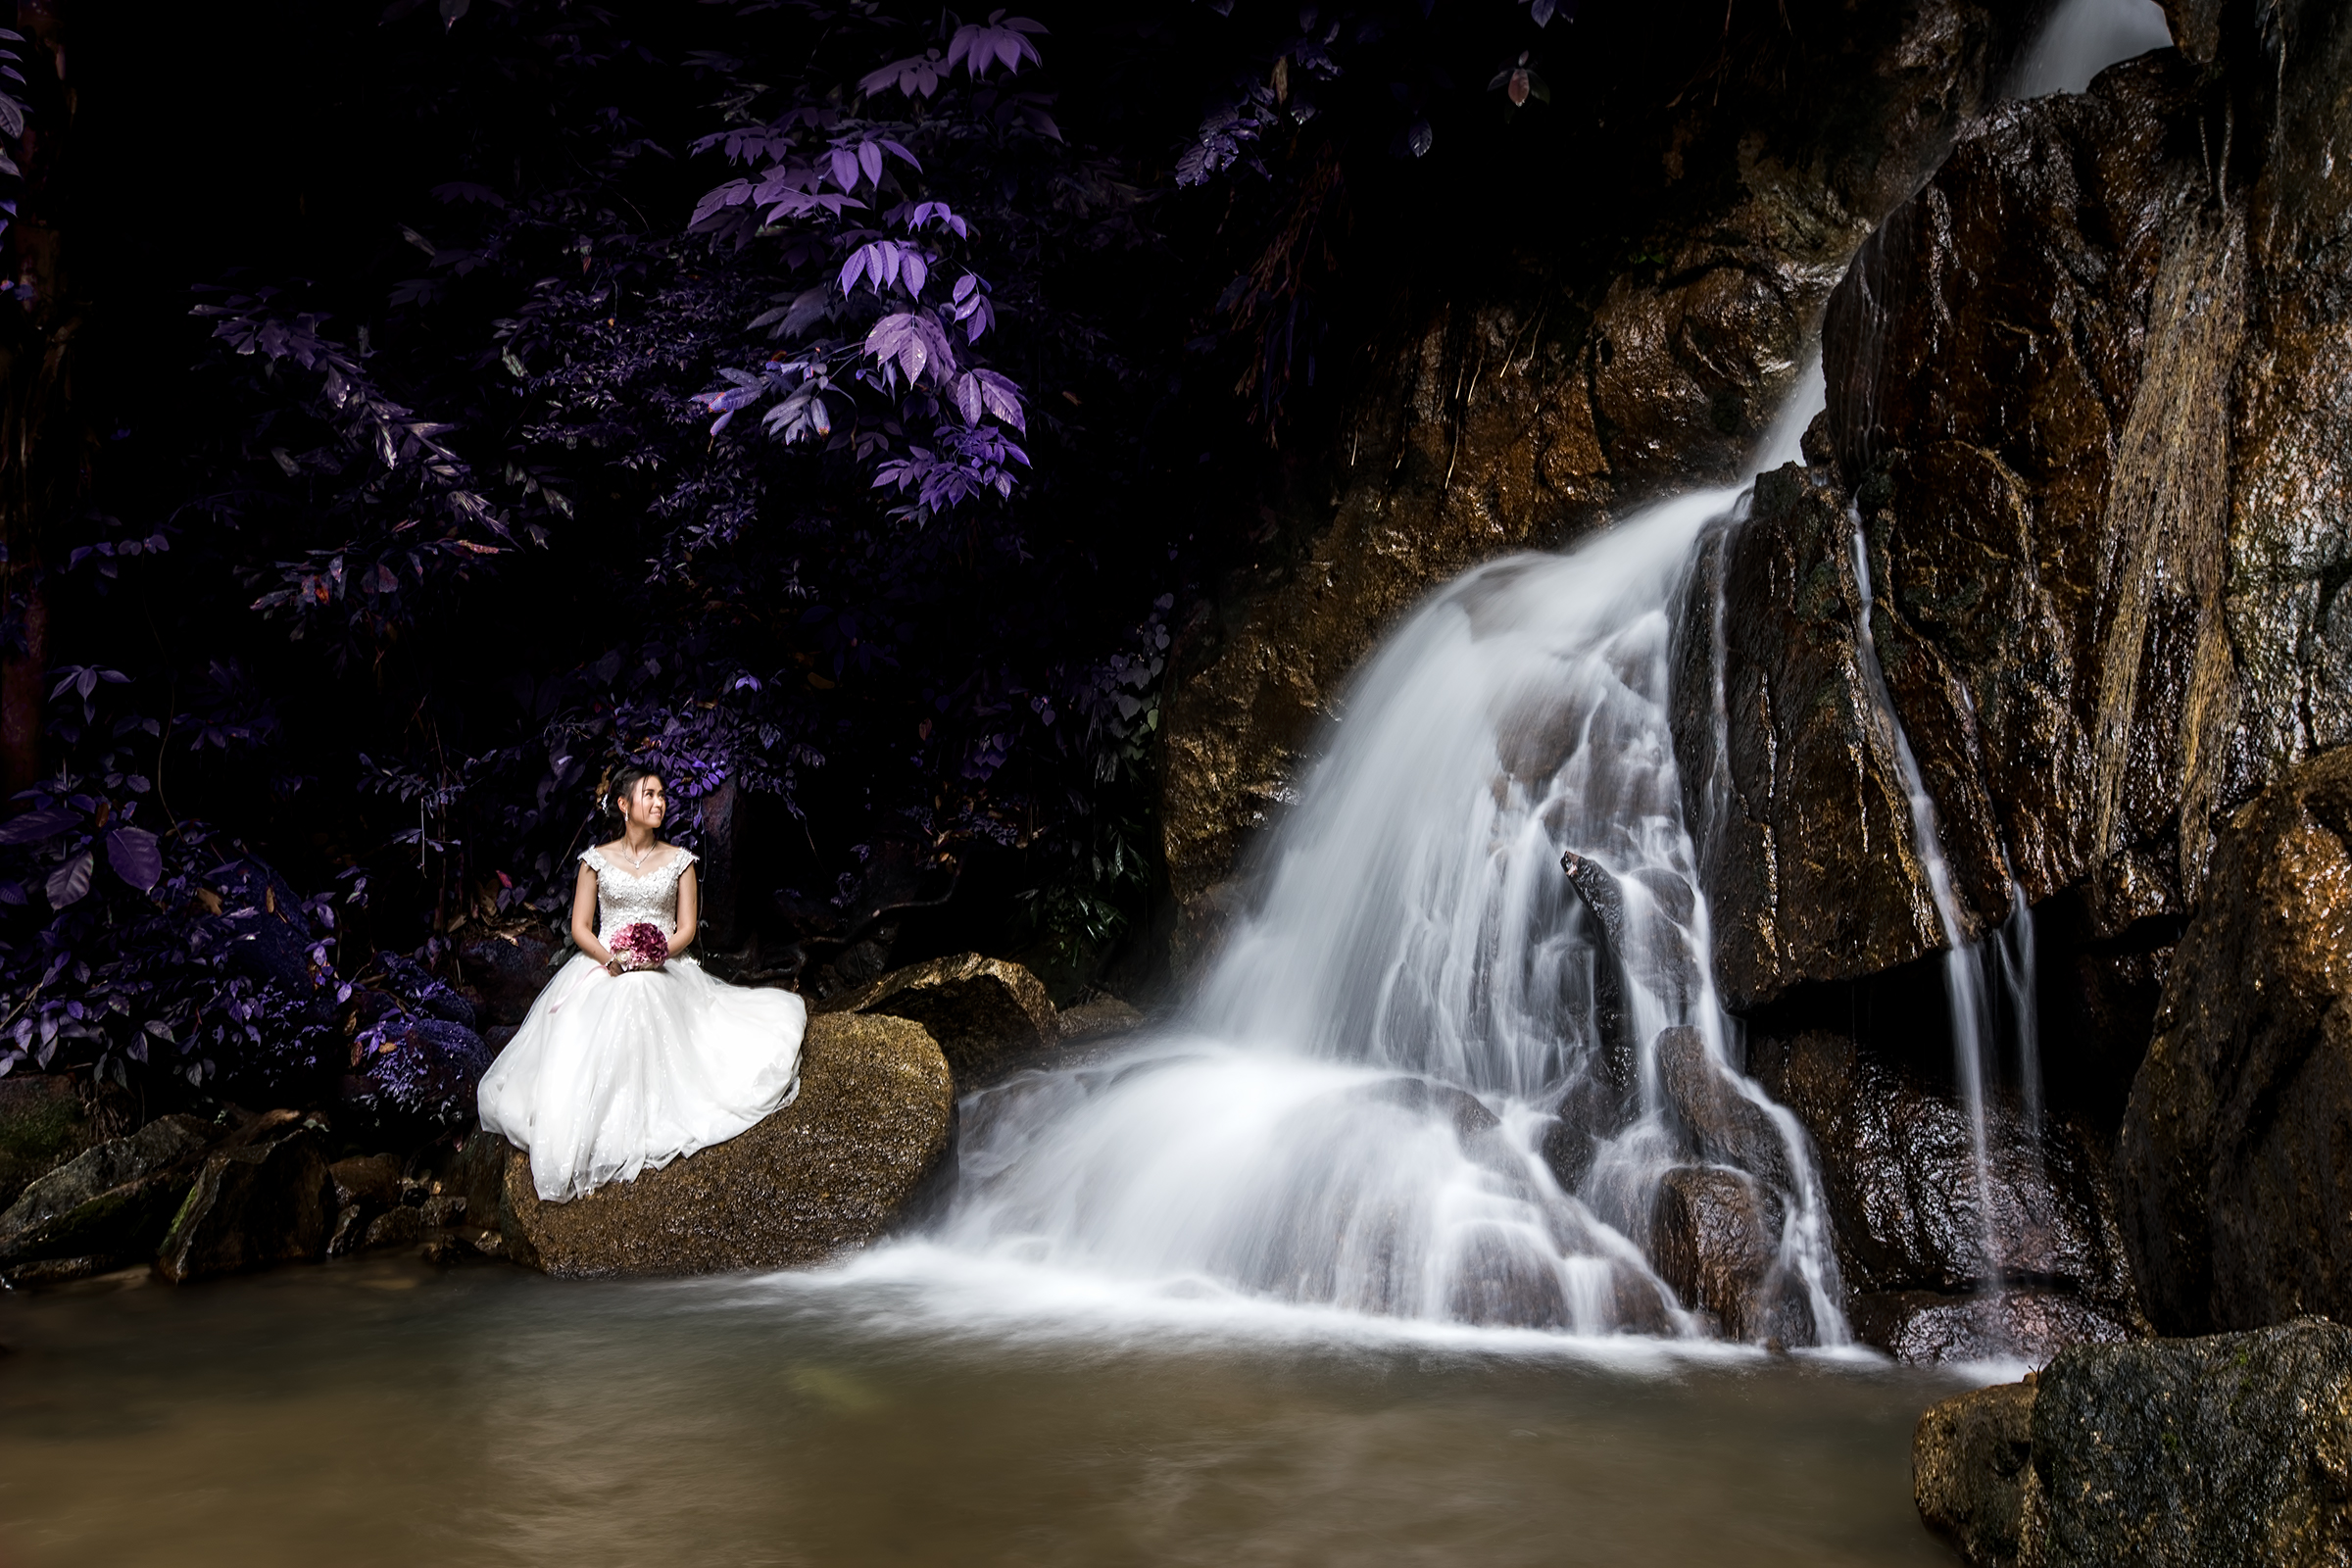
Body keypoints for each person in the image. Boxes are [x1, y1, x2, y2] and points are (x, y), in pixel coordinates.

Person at [477, 766, 807, 1201]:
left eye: (662, 796)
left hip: (663, 965)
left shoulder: (681, 861)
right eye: (648, 795)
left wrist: (654, 954)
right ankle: (597, 1125)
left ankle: (651, 1117)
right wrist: (610, 959)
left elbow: (686, 929)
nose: (659, 803)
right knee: (591, 1020)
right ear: (623, 805)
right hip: (604, 964)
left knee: (643, 995)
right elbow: (580, 927)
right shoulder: (595, 861)